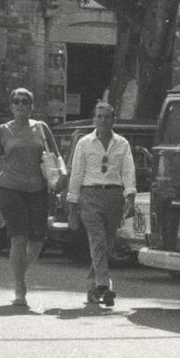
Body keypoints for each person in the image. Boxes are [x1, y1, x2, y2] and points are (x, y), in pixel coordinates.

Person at [0, 87, 59, 309]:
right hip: (11, 188)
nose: (21, 105)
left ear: (32, 106)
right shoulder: (3, 131)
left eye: (25, 101)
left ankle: (19, 272)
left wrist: (61, 180)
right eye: (17, 101)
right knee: (19, 237)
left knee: (38, 241)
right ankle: (19, 287)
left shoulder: (41, 128)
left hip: (38, 189)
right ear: (11, 106)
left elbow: (56, 156)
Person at [66, 101, 136, 307]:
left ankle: (93, 288)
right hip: (90, 195)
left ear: (113, 119)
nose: (103, 120)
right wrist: (72, 205)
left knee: (107, 243)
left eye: (107, 117)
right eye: (99, 116)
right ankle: (104, 285)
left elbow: (128, 170)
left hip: (114, 196)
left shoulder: (122, 144)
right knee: (98, 240)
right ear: (94, 120)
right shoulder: (84, 143)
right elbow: (76, 173)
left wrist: (130, 196)